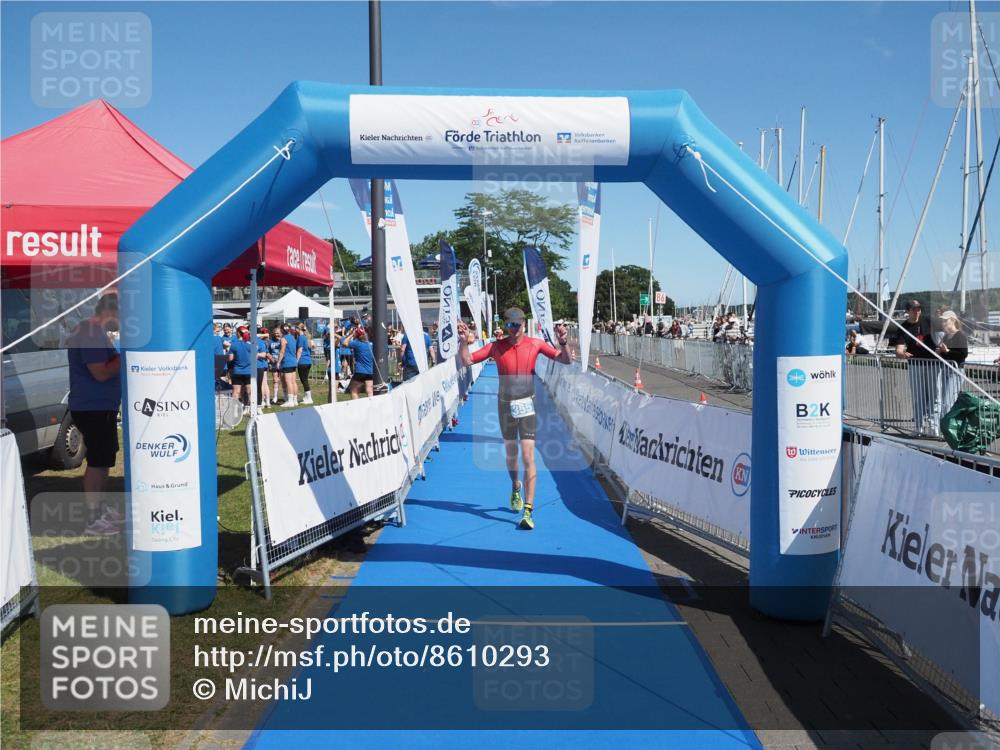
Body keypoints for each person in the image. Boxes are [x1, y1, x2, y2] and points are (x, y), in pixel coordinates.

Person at [457, 307, 572, 531]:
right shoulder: (496, 346)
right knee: (512, 456)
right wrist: (463, 342)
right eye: (509, 324)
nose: (513, 329)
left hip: (527, 405)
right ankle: (515, 485)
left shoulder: (535, 344)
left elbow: (565, 360)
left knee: (528, 455)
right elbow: (467, 361)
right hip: (505, 407)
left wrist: (564, 342)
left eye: (516, 325)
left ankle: (528, 511)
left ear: (523, 324)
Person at [67, 294, 123, 536]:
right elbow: (100, 373)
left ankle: (99, 510)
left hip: (99, 406)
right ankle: (93, 519)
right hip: (93, 407)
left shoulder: (94, 332)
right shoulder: (89, 332)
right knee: (98, 462)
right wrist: (127, 354)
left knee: (104, 459)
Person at [890, 299, 938, 436]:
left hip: (933, 363)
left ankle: (935, 428)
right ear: (908, 311)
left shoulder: (928, 320)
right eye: (913, 309)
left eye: (919, 309)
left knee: (935, 396)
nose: (917, 312)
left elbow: (945, 328)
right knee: (918, 396)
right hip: (915, 365)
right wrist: (901, 353)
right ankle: (919, 427)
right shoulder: (903, 327)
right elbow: (898, 349)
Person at [935, 310, 968, 425]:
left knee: (948, 401)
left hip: (956, 371)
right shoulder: (946, 336)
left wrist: (947, 351)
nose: (943, 323)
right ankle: (947, 427)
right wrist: (940, 352)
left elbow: (963, 354)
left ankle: (948, 427)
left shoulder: (960, 335)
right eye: (942, 321)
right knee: (946, 400)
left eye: (945, 321)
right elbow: (946, 354)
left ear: (953, 321)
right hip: (946, 370)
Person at [344, 325, 375, 398]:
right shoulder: (371, 344)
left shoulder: (357, 343)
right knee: (369, 390)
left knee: (354, 391)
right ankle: (372, 407)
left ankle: (356, 408)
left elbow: (345, 343)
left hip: (360, 371)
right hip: (370, 371)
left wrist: (351, 334)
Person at [228, 326, 253, 404]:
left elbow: (230, 358)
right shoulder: (250, 344)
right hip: (248, 371)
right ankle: (251, 407)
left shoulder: (234, 345)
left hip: (237, 371)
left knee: (236, 391)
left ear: (238, 333)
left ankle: (234, 410)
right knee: (249, 390)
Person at [276, 323, 299, 407]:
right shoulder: (293, 337)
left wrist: (278, 362)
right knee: (293, 382)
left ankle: (290, 401)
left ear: (282, 330)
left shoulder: (284, 339)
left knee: (288, 382)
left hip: (287, 362)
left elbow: (282, 351)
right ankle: (295, 400)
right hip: (293, 361)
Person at [296, 322, 314, 405]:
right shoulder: (307, 338)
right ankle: (307, 397)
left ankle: (309, 398)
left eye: (296, 328)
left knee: (304, 380)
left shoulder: (301, 337)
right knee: (305, 380)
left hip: (302, 361)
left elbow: (300, 350)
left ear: (298, 329)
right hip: (308, 361)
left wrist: (296, 361)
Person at [256, 327, 272, 406]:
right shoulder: (264, 341)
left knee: (262, 384)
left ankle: (262, 400)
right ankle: (267, 402)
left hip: (261, 364)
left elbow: (267, 353)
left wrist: (272, 360)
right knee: (264, 383)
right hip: (264, 364)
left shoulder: (260, 341)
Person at [268, 325, 283, 404]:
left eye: (278, 333)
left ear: (281, 333)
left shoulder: (283, 340)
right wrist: (270, 360)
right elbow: (269, 352)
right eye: (275, 333)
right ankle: (275, 396)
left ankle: (285, 395)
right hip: (273, 362)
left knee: (283, 379)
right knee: (275, 379)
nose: (276, 335)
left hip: (282, 362)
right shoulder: (271, 341)